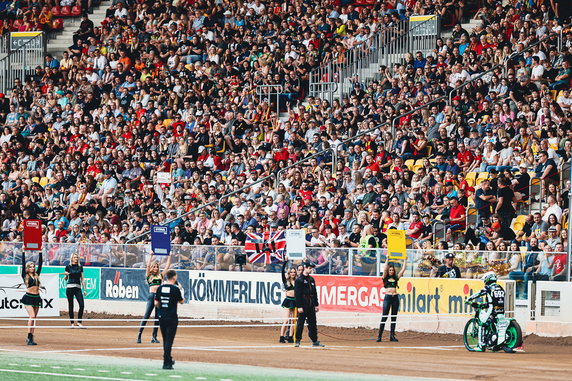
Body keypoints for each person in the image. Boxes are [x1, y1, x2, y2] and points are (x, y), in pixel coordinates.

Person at [466, 272, 514, 353]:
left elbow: (479, 293)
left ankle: (481, 346)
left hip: (492, 311)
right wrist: (485, 305)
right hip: (501, 310)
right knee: (495, 326)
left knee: (482, 324)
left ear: (488, 279)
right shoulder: (500, 287)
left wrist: (468, 299)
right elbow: (496, 300)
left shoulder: (489, 287)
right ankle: (495, 344)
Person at [137, 253, 172, 344]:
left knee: (157, 317)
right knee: (146, 315)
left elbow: (167, 267)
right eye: (155, 266)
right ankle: (139, 335)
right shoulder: (149, 275)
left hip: (159, 297)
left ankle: (154, 337)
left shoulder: (160, 275)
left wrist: (169, 256)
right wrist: (151, 256)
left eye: (157, 266)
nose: (156, 268)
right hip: (152, 296)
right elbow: (148, 266)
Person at [155, 269, 184, 370]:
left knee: (165, 339)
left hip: (162, 317)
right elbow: (182, 301)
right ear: (174, 277)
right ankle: (166, 362)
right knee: (169, 341)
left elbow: (156, 303)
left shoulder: (160, 288)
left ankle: (168, 360)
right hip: (172, 317)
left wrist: (162, 309)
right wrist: (181, 290)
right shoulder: (175, 289)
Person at [377, 256, 407, 342]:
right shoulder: (385, 278)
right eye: (390, 270)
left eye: (392, 270)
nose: (391, 271)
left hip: (395, 298)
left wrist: (405, 260)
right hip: (388, 297)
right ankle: (379, 336)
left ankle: (392, 336)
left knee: (393, 317)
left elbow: (403, 270)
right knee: (384, 316)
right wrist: (387, 259)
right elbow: (385, 269)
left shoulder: (396, 278)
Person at [294, 261, 324, 348]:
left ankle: (314, 340)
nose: (311, 270)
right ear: (305, 267)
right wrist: (299, 306)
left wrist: (316, 304)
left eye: (311, 268)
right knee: (300, 322)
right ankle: (297, 340)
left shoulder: (311, 279)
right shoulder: (299, 280)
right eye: (309, 268)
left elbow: (314, 293)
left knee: (313, 323)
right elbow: (297, 294)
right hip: (303, 303)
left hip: (310, 303)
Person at [21, 251, 43, 345]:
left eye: (33, 266)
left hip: (37, 297)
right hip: (29, 297)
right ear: (27, 268)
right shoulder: (25, 275)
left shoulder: (36, 275)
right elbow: (22, 263)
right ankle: (29, 336)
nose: (33, 268)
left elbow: (41, 264)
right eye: (31, 267)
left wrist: (40, 252)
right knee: (32, 316)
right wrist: (23, 252)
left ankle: (31, 337)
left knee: (34, 318)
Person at [64, 253, 86, 328]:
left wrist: (85, 289)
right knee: (71, 305)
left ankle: (79, 322)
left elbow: (82, 278)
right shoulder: (68, 267)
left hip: (78, 287)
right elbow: (65, 279)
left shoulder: (80, 267)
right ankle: (72, 323)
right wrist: (66, 275)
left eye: (77, 257)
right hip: (70, 287)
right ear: (72, 258)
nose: (76, 259)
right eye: (74, 257)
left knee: (82, 305)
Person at [279, 259, 297, 343]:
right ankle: (281, 337)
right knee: (286, 320)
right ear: (289, 273)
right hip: (288, 301)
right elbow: (282, 272)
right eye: (291, 272)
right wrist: (285, 262)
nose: (293, 273)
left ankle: (290, 337)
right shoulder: (286, 281)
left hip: (295, 301)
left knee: (293, 320)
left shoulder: (297, 281)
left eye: (294, 272)